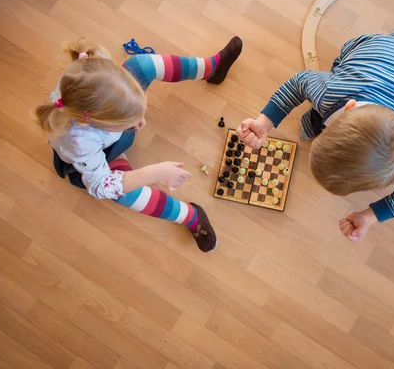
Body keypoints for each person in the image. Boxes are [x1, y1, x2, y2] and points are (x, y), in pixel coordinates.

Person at [236, 32, 394, 243]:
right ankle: (318, 119)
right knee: (323, 105)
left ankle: (319, 120)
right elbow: (299, 82)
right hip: (373, 48)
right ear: (348, 107)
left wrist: (370, 216)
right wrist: (264, 122)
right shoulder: (332, 92)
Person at [34, 37, 243, 252]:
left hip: (107, 132)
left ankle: (211, 69)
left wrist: (133, 112)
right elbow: (101, 187)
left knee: (140, 65)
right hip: (102, 157)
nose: (139, 121)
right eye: (130, 119)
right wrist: (154, 173)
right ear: (94, 122)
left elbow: (124, 85)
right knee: (124, 193)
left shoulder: (93, 72)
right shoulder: (79, 143)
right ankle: (190, 216)